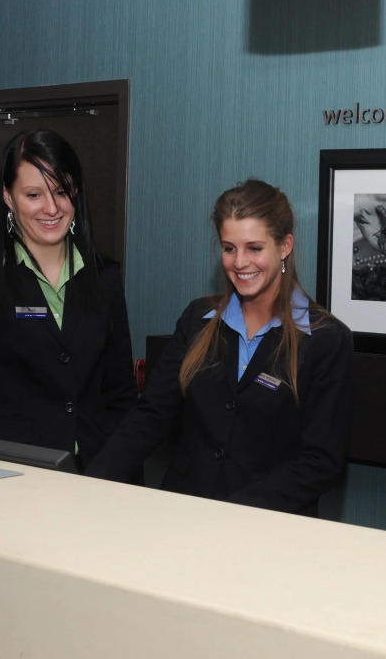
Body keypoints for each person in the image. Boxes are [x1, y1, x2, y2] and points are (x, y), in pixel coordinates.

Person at [85, 179, 352, 516]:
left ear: (285, 246)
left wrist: (229, 514)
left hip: (269, 526)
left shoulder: (326, 339)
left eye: (254, 248)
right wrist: (90, 482)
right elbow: (151, 415)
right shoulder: (198, 319)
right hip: (182, 515)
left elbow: (321, 462)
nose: (240, 262)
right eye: (229, 248)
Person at [0, 129, 136, 470]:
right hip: (7, 475)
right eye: (34, 194)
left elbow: (120, 392)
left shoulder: (104, 276)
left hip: (94, 474)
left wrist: (115, 470)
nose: (51, 208)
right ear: (8, 197)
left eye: (62, 191)